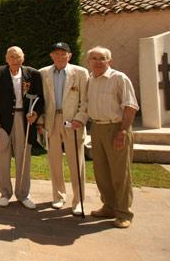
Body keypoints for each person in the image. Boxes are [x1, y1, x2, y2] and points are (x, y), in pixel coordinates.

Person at [86, 46, 139, 228]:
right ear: (89, 62)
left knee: (120, 173)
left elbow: (130, 107)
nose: (98, 62)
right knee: (101, 172)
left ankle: (124, 213)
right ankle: (109, 206)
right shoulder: (91, 79)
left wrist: (122, 132)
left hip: (116, 128)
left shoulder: (119, 78)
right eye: (94, 58)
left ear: (110, 61)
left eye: (102, 58)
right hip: (97, 128)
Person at [0, 46, 43, 209]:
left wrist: (36, 113)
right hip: (2, 122)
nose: (15, 60)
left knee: (23, 158)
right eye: (11, 57)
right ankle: (5, 192)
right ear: (6, 59)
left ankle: (23, 194)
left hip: (24, 121)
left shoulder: (33, 74)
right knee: (2, 158)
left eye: (18, 57)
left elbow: (41, 99)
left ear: (23, 58)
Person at [36, 42, 89, 215]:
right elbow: (40, 100)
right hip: (51, 121)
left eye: (63, 53)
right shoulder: (43, 73)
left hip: (73, 122)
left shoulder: (80, 73)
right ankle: (58, 196)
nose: (60, 57)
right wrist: (41, 121)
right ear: (51, 56)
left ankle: (78, 201)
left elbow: (85, 101)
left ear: (69, 55)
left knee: (76, 163)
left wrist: (80, 118)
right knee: (54, 161)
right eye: (56, 54)